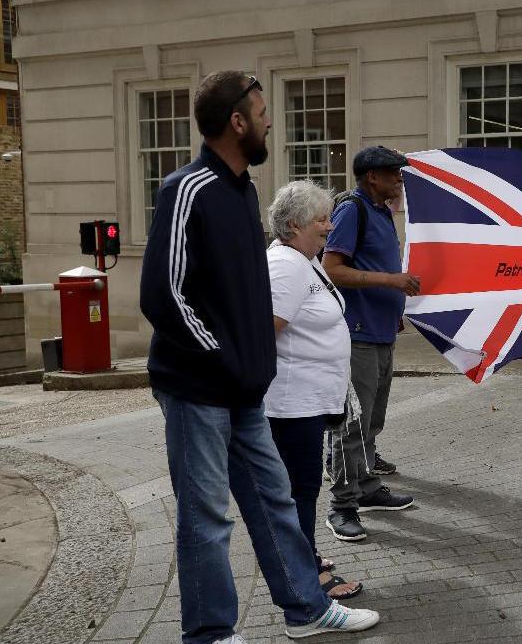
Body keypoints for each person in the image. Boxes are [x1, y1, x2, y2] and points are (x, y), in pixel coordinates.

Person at [140, 71, 378, 643]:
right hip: (199, 389)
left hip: (244, 390)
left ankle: (305, 608)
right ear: (237, 122)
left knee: (275, 502)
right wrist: (225, 359)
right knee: (206, 518)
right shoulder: (187, 188)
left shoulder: (242, 190)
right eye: (263, 111)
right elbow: (162, 294)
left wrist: (251, 369)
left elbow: (244, 296)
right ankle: (210, 634)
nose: (272, 120)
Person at [264, 180, 363, 600]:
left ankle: (304, 555)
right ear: (293, 224)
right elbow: (265, 330)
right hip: (292, 403)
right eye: (320, 219)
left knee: (303, 487)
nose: (329, 226)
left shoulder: (306, 260)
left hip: (308, 400)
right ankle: (304, 576)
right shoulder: (286, 264)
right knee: (299, 489)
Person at [322, 146, 419, 542]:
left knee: (372, 417)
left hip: (380, 330)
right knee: (352, 422)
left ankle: (364, 487)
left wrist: (392, 308)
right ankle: (340, 505)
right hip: (357, 333)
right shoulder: (353, 209)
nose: (399, 178)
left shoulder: (380, 211)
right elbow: (333, 268)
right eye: (393, 173)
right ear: (371, 177)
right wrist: (391, 282)